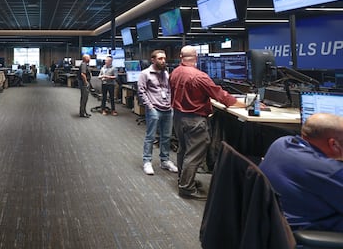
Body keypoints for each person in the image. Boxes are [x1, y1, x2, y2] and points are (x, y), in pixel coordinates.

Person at [170, 45, 245, 200]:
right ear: (196, 56)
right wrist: (246, 104)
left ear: (180, 57)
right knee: (194, 154)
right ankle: (187, 189)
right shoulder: (200, 76)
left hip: (178, 117)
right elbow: (222, 97)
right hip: (194, 120)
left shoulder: (175, 72)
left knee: (183, 150)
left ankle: (183, 180)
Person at [260, 113, 343, 232]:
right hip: (309, 236)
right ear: (333, 144)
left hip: (274, 229)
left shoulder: (281, 143)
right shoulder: (330, 172)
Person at [138, 50, 177, 175]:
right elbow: (141, 91)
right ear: (153, 60)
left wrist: (171, 104)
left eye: (164, 58)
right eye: (160, 58)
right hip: (154, 109)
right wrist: (150, 107)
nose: (163, 61)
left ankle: (164, 160)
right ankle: (147, 161)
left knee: (166, 137)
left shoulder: (166, 73)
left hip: (167, 109)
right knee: (150, 137)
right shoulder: (145, 74)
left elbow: (169, 90)